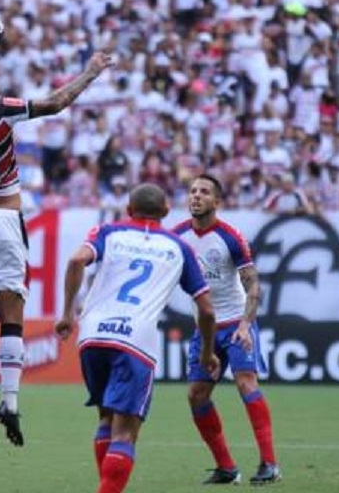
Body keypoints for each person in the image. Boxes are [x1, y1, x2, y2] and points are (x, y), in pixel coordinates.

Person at [0, 51, 114, 447]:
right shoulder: (2, 109)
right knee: (10, 314)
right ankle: (10, 402)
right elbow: (55, 103)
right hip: (3, 216)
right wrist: (90, 72)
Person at [55, 183, 219, 493]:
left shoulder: (108, 232)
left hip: (93, 335)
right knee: (125, 434)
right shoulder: (179, 247)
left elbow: (76, 260)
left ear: (128, 210)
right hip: (135, 340)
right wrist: (207, 352)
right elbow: (208, 311)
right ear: (167, 212)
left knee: (105, 418)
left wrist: (67, 314)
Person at [172, 174, 281, 485]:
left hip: (235, 323)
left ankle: (270, 464)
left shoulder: (230, 236)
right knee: (196, 395)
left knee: (246, 383)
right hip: (205, 328)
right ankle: (227, 468)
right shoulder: (178, 238)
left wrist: (247, 324)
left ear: (216, 202)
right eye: (192, 191)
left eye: (204, 192)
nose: (196, 196)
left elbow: (253, 283)